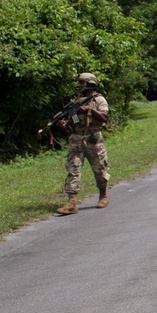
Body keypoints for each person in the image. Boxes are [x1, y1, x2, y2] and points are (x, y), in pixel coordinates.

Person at [56, 72, 110, 215]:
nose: (79, 85)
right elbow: (73, 123)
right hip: (76, 139)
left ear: (90, 84)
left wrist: (90, 109)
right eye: (79, 82)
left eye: (82, 82)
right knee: (73, 169)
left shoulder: (98, 100)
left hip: (94, 139)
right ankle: (72, 202)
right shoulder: (75, 102)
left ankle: (103, 195)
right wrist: (65, 124)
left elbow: (105, 116)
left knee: (99, 169)